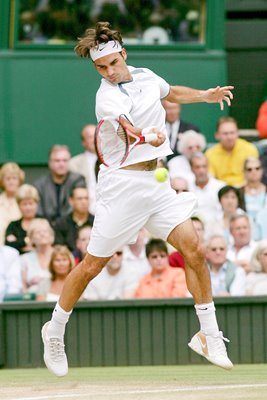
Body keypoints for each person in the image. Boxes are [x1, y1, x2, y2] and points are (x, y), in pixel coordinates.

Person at [41, 21, 234, 377]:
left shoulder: (145, 75)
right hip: (122, 188)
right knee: (91, 267)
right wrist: (150, 135)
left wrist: (204, 95)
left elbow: (170, 92)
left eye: (113, 63)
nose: (109, 72)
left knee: (193, 249)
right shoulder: (106, 98)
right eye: (101, 67)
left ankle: (208, 334)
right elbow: (128, 131)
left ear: (123, 54)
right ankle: (54, 329)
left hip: (155, 184)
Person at [33, 145, 86, 226]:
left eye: (65, 161)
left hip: (72, 228)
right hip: (47, 228)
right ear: (50, 163)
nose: (61, 164)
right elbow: (38, 212)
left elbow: (79, 207)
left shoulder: (78, 181)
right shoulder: (40, 185)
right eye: (57, 161)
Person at [205, 116, 259, 187]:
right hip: (220, 191)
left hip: (245, 189)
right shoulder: (210, 154)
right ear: (217, 135)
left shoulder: (249, 149)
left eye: (232, 133)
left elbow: (254, 175)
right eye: (225, 133)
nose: (229, 137)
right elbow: (210, 179)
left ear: (237, 133)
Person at [69, 124, 98, 214]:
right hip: (84, 211)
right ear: (83, 142)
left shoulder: (112, 161)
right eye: (90, 137)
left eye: (97, 135)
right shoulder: (73, 164)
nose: (94, 139)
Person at [54, 187, 94, 252]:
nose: (84, 202)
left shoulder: (96, 223)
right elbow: (59, 249)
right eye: (79, 198)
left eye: (86, 198)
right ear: (71, 201)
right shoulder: (61, 223)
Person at [189, 152, 226, 223]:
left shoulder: (221, 187)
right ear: (191, 169)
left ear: (208, 167)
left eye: (204, 166)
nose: (201, 171)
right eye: (197, 167)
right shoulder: (187, 188)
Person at [20, 218, 54, 294]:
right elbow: (23, 286)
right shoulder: (24, 259)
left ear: (51, 235)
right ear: (31, 238)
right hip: (32, 301)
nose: (42, 234)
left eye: (45, 231)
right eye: (38, 232)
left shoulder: (60, 255)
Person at [5, 184, 40, 254]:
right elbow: (9, 247)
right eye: (24, 204)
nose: (28, 208)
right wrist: (27, 241)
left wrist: (19, 242)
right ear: (19, 205)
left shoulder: (43, 223)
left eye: (31, 203)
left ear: (36, 204)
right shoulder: (13, 226)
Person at [238, 157, 267, 240]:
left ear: (262, 171)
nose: (254, 172)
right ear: (244, 172)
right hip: (243, 235)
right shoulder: (238, 193)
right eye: (249, 169)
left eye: (257, 168)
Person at [0, 162, 25, 245]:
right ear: (2, 181)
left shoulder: (25, 201)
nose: (11, 182)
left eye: (14, 178)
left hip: (19, 245)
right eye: (8, 179)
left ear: (19, 180)